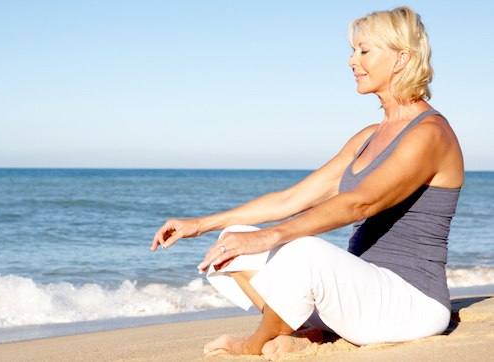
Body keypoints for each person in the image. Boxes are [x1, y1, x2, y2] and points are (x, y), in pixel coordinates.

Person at [151, 6, 464, 360]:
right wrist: (202, 225)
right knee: (229, 245)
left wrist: (269, 236)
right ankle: (304, 332)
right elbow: (292, 198)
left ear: (400, 59)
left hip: (410, 303)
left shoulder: (430, 134)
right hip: (362, 297)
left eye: (364, 50)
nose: (351, 61)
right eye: (353, 50)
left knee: (302, 250)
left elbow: (360, 203)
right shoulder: (367, 137)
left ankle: (250, 345)